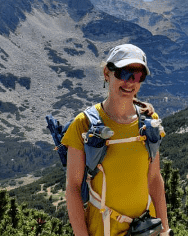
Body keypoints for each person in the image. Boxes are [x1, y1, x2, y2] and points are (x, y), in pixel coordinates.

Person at [61, 44, 170, 236]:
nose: (130, 82)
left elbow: (154, 179)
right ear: (106, 73)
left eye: (137, 76)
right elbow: (73, 188)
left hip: (147, 229)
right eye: (123, 73)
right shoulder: (84, 124)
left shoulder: (149, 122)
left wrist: (165, 230)